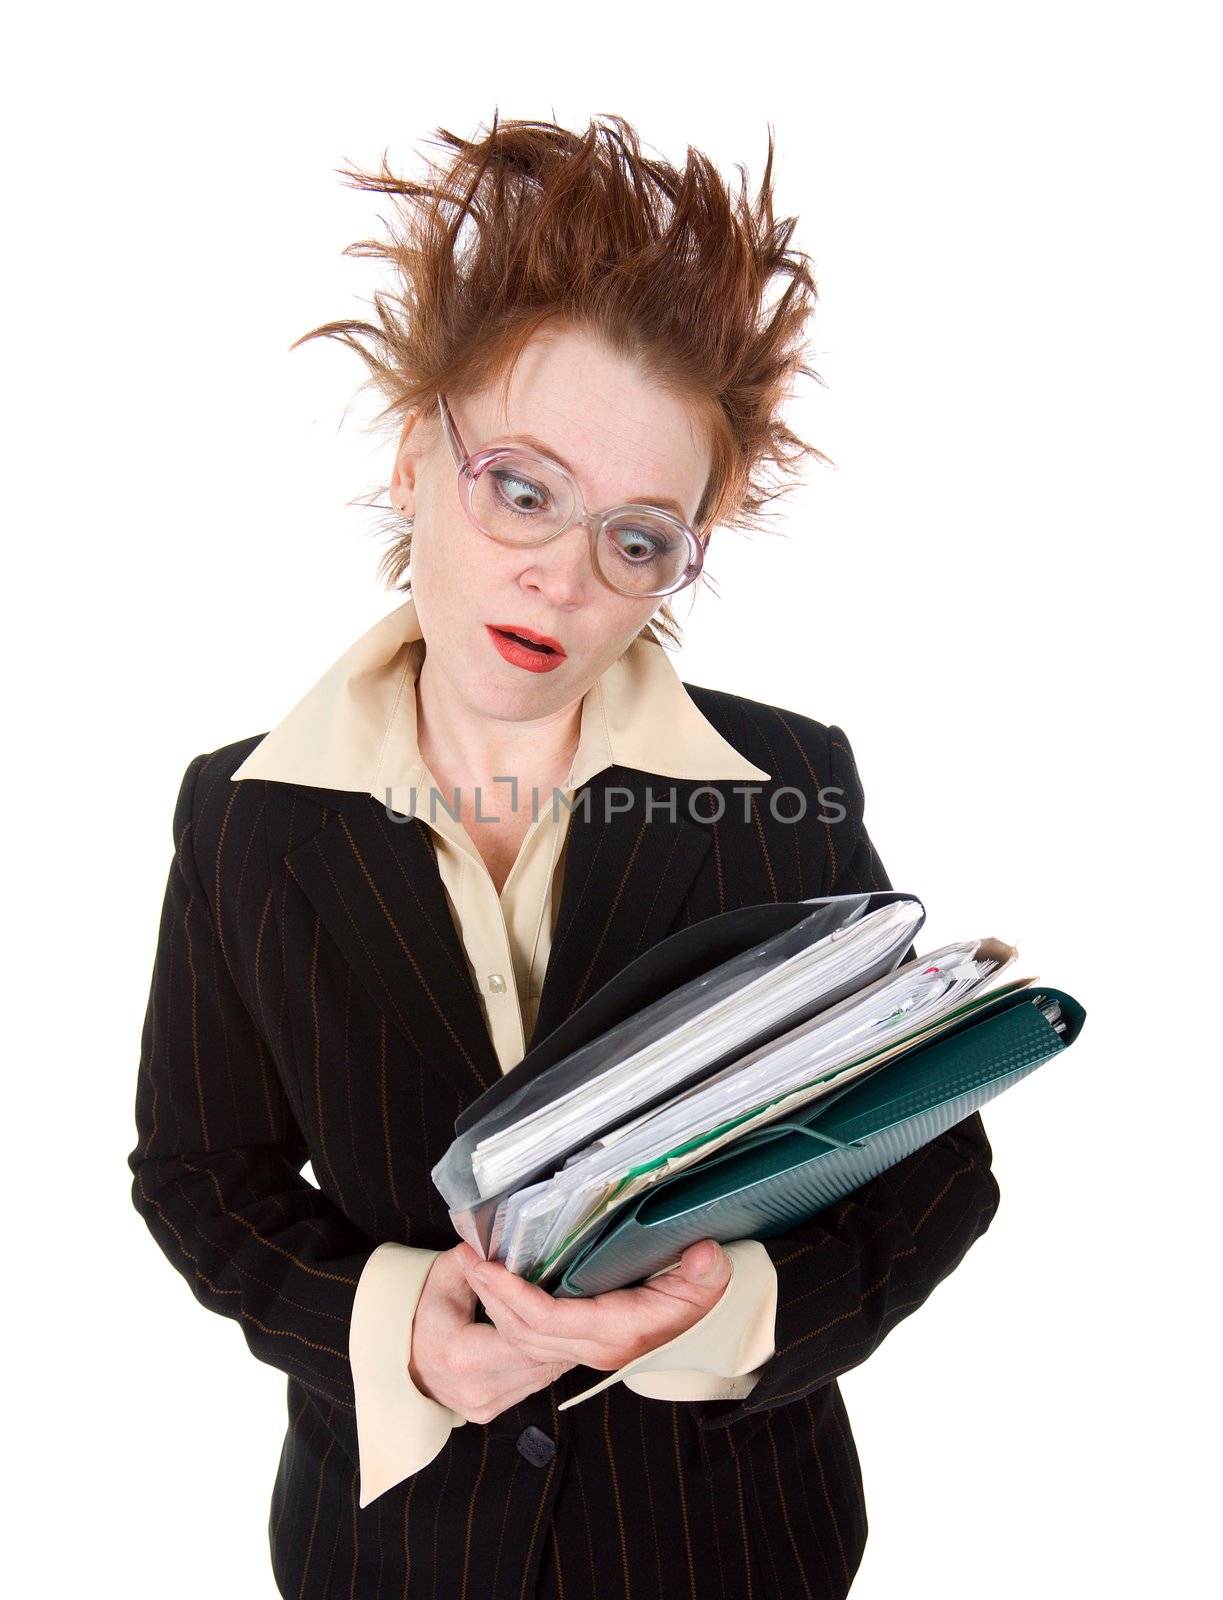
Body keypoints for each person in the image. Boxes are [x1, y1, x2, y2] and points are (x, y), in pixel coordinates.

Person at [127, 113, 1001, 1600]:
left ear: (681, 559)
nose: (564, 575)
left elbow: (935, 1167)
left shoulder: (784, 784)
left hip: (735, 1544)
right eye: (521, 490)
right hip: (394, 1551)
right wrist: (392, 1322)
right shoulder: (244, 815)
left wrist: (728, 1318)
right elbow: (203, 1177)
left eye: (638, 537)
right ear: (417, 459)